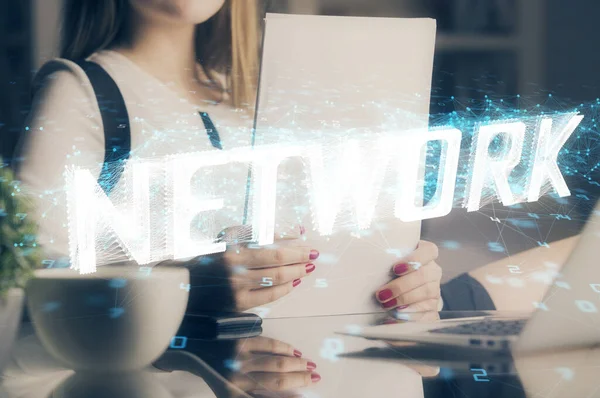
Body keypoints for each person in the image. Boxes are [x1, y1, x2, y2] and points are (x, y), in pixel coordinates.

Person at [15, 0, 447, 314]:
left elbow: (315, 260)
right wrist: (183, 288)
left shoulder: (259, 104)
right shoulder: (79, 92)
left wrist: (398, 281)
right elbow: (24, 288)